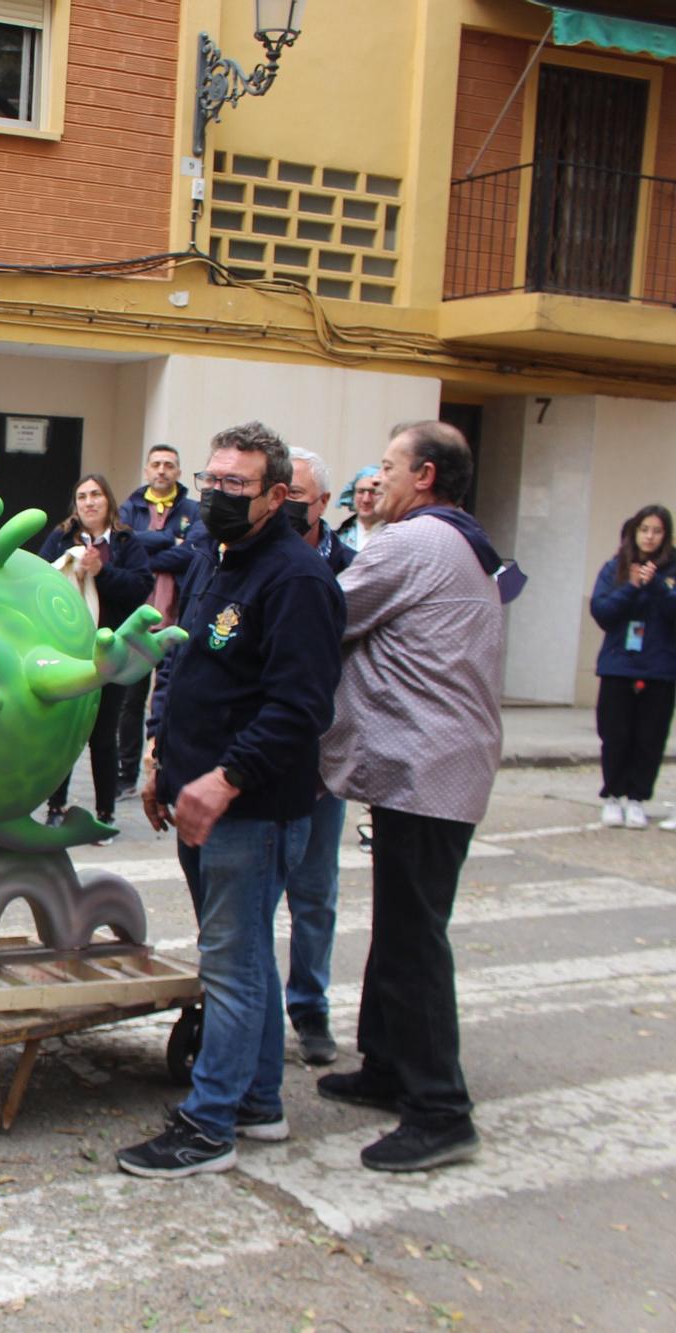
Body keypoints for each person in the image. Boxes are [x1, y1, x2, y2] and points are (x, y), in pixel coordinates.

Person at [120, 422, 344, 1179]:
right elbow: (185, 663)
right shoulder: (219, 559)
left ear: (278, 495)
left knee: (231, 962)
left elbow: (299, 707)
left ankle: (209, 1122)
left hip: (248, 808)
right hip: (192, 795)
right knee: (243, 952)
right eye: (210, 481)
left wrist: (224, 778)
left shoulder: (297, 579)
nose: (213, 495)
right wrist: (160, 760)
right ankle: (257, 1101)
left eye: (233, 486)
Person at [319, 421, 507, 1173]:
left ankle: (440, 1107)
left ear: (425, 475)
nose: (381, 477)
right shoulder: (464, 541)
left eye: (390, 465)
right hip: (440, 765)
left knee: (415, 936)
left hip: (427, 769)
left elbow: (325, 616)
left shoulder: (409, 542)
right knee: (402, 925)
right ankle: (390, 1064)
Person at [278, 446, 356, 1067]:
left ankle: (310, 1009)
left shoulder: (353, 570)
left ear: (323, 503)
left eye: (298, 494)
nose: (286, 503)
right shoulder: (242, 556)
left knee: (314, 894)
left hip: (320, 765)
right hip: (255, 761)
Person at [38, 474, 152, 838]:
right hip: (70, 652)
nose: (89, 502)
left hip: (112, 652)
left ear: (108, 501)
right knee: (65, 732)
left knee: (104, 735)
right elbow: (40, 580)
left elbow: (139, 588)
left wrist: (102, 573)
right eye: (82, 496)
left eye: (96, 495)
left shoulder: (125, 541)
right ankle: (55, 806)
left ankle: (105, 813)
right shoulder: (60, 538)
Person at [115, 445, 202, 796]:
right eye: (156, 464)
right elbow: (124, 549)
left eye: (169, 465)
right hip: (137, 621)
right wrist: (168, 540)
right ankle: (125, 775)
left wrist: (145, 551)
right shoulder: (129, 507)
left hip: (177, 621)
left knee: (171, 699)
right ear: (147, 470)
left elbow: (192, 554)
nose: (162, 470)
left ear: (179, 472)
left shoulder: (193, 510)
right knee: (130, 702)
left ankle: (166, 768)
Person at [589, 505, 676, 829]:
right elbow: (602, 611)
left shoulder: (671, 570)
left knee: (649, 737)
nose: (650, 536)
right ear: (634, 532)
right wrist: (632, 586)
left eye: (656, 530)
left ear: (665, 535)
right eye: (644, 529)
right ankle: (612, 795)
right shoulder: (615, 568)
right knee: (615, 734)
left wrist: (655, 586)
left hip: (659, 667)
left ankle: (637, 799)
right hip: (618, 665)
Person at [335, 465, 382, 551]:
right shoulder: (338, 539)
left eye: (373, 492)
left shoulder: (395, 536)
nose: (366, 499)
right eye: (360, 492)